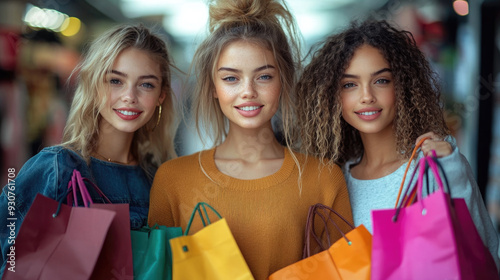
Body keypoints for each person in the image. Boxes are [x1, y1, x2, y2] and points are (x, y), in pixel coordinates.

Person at [147, 0, 352, 279]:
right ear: (213, 88)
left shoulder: (323, 178)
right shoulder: (173, 180)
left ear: (283, 81)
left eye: (264, 76)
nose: (248, 91)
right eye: (231, 78)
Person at [295, 19, 500, 270]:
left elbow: (482, 252)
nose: (367, 96)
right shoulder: (334, 178)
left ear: (402, 85)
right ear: (331, 97)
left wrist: (452, 170)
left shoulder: (432, 165)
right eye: (349, 85)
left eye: (381, 80)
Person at [0, 24, 178, 276]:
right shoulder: (57, 167)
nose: (129, 96)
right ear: (94, 84)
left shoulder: (158, 177)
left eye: (146, 85)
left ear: (161, 95)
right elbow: (10, 260)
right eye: (115, 80)